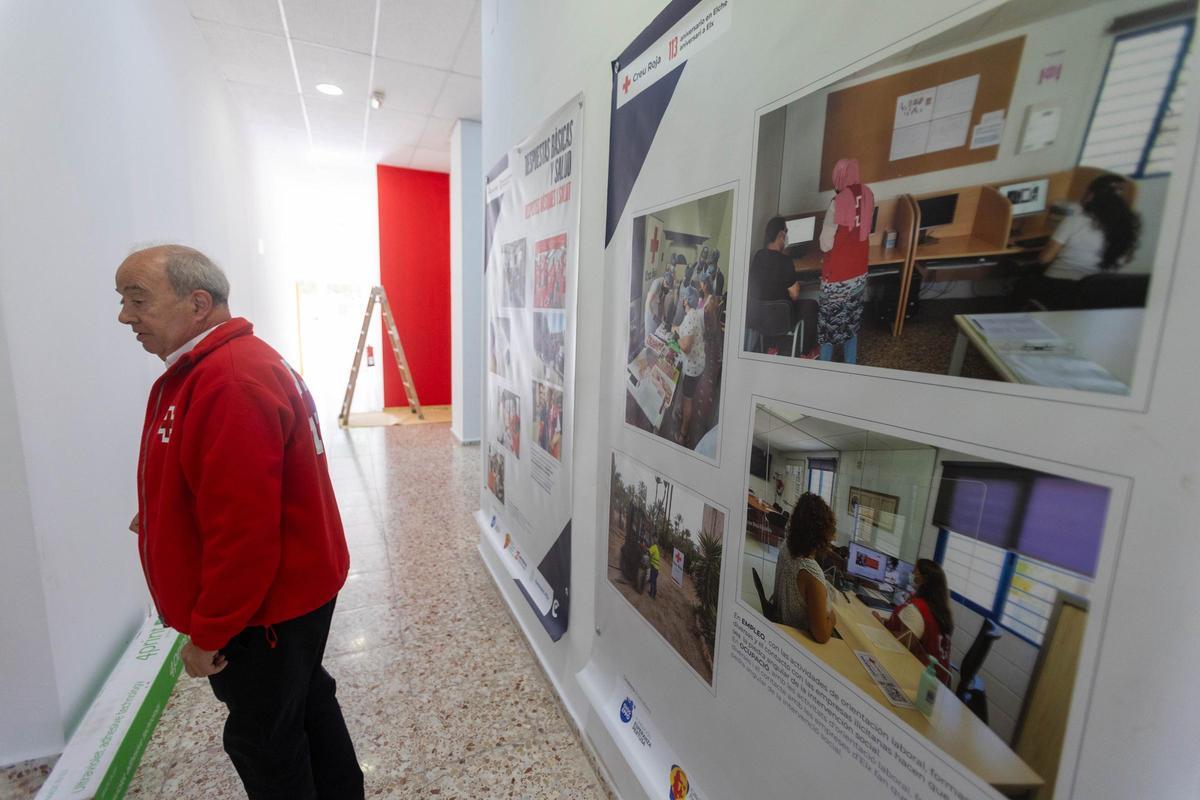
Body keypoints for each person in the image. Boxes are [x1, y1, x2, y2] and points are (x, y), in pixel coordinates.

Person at [114, 245, 363, 799]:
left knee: (266, 741)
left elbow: (245, 539)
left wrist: (209, 636)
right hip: (292, 597)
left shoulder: (227, 381)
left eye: (138, 300)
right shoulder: (226, 365)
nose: (125, 317)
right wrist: (163, 512)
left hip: (264, 613)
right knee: (305, 704)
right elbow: (227, 481)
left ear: (198, 303)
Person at [1021, 175, 1142, 307]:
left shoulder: (1075, 221)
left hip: (1059, 285)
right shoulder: (1126, 228)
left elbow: (1044, 259)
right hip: (1097, 291)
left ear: (1091, 195)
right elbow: (1124, 261)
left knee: (1022, 284)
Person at [818, 158, 874, 364]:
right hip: (859, 272)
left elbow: (825, 244)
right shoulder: (869, 194)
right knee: (851, 322)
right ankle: (851, 366)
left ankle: (824, 368)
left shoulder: (837, 203)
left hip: (837, 277)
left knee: (829, 326)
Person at [772, 493, 837, 642]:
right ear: (822, 533)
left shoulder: (786, 547)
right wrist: (832, 618)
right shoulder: (811, 572)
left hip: (781, 625)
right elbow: (822, 635)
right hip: (797, 639)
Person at [881, 559, 954, 686]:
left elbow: (904, 642)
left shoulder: (918, 608)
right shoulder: (941, 609)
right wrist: (883, 621)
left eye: (915, 570)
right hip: (939, 680)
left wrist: (880, 629)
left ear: (922, 578)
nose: (912, 572)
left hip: (920, 679)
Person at [747, 216, 801, 351]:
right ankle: (805, 351)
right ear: (781, 235)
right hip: (781, 321)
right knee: (811, 306)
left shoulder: (758, 256)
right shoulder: (786, 261)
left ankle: (771, 347)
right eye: (786, 232)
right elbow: (795, 295)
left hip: (759, 319)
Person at [672, 282, 707, 447]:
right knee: (688, 396)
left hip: (693, 368)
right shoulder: (693, 314)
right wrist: (676, 328)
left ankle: (683, 434)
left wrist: (677, 339)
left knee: (688, 399)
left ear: (685, 300)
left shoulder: (691, 317)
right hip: (699, 363)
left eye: (683, 298)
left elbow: (685, 346)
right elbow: (687, 330)